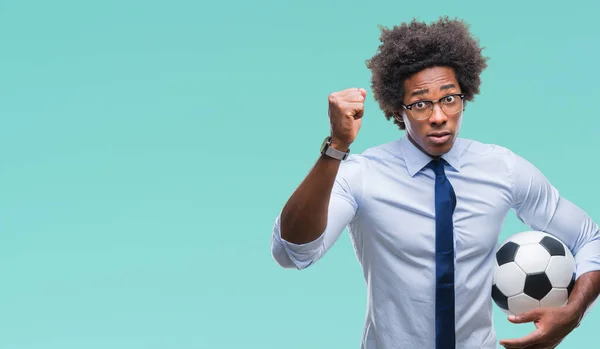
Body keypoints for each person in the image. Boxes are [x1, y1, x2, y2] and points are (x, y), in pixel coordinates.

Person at [269, 16, 600, 349]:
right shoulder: (361, 175)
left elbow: (590, 238)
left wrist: (574, 312)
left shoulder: (502, 168)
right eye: (420, 103)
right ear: (398, 112)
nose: (439, 115)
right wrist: (336, 148)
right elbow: (293, 252)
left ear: (464, 97)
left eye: (449, 98)